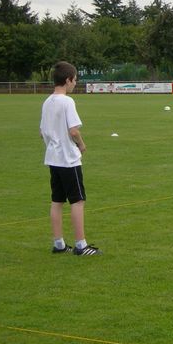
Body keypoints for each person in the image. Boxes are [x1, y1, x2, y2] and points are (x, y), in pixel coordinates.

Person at [40, 61, 102, 256]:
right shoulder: (67, 102)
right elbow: (74, 131)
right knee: (77, 201)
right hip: (68, 160)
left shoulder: (47, 102)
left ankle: (59, 244)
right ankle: (81, 245)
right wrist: (81, 145)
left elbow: (42, 132)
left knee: (57, 200)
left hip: (53, 159)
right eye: (75, 80)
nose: (75, 83)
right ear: (68, 80)